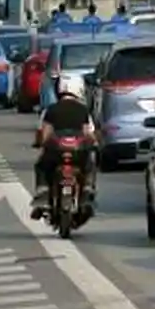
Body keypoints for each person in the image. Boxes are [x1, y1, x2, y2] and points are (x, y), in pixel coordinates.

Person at [30, 81, 97, 219]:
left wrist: (40, 143)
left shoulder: (51, 109)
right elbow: (87, 133)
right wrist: (94, 143)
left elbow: (45, 133)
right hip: (78, 152)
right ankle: (87, 191)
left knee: (42, 166)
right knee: (89, 167)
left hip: (56, 152)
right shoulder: (83, 109)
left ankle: (43, 193)